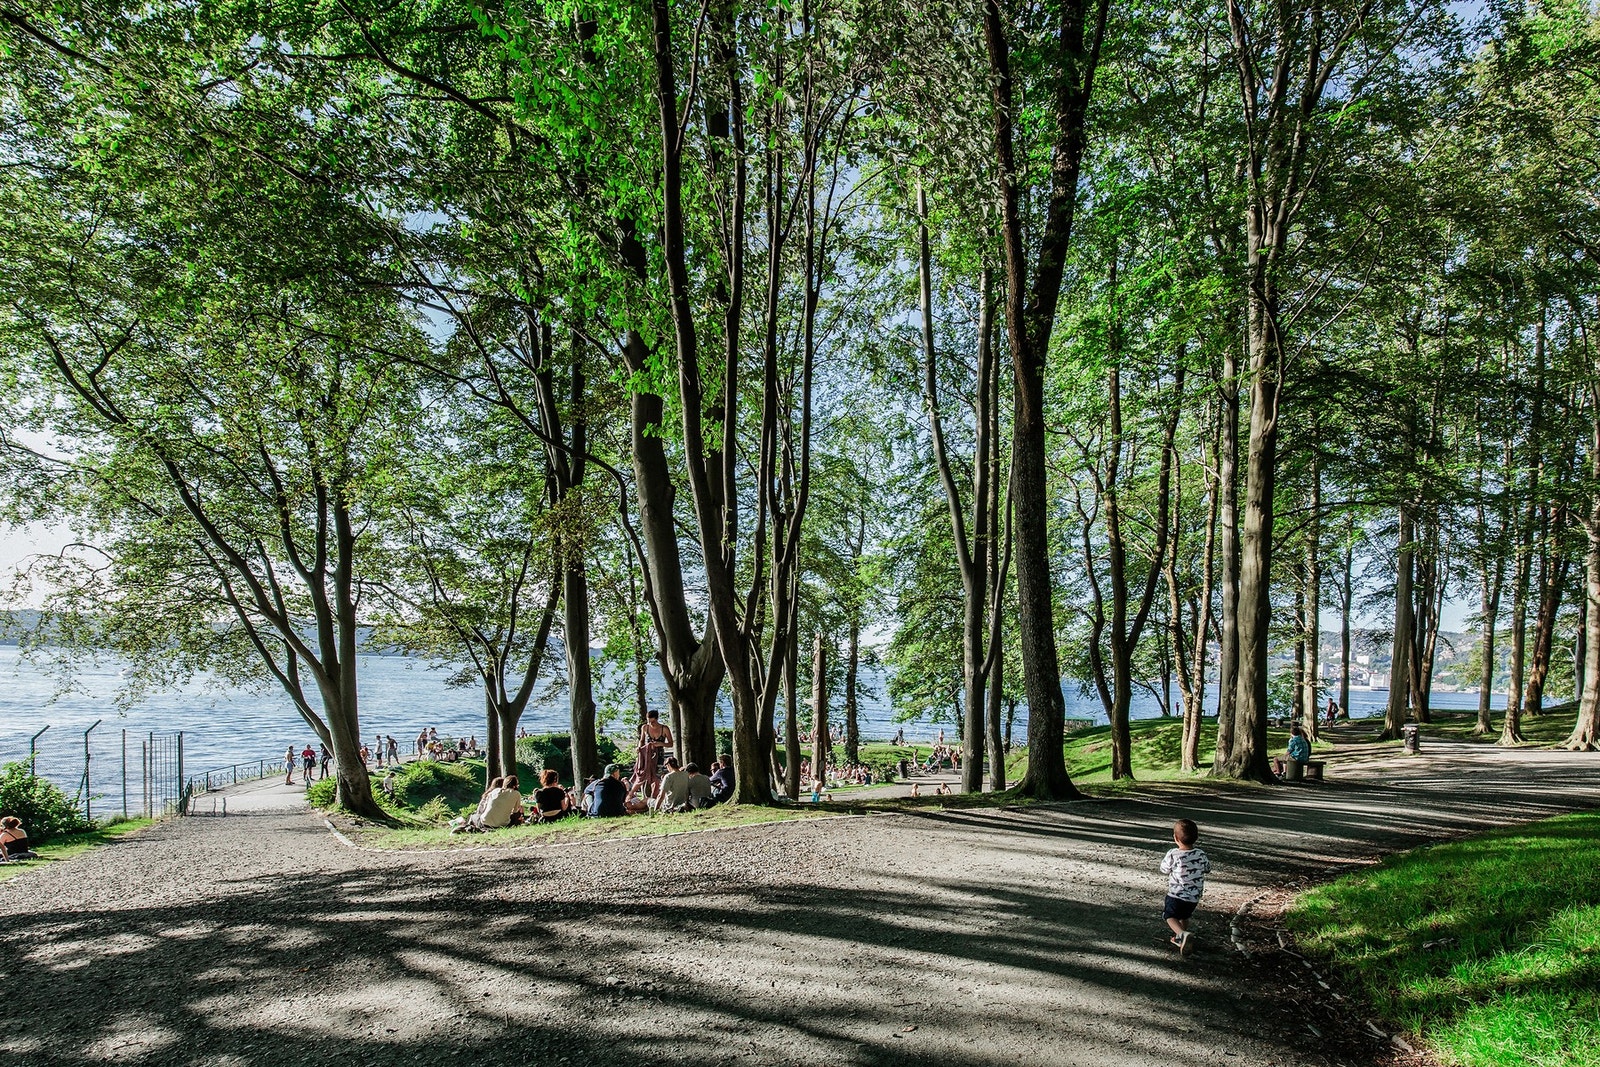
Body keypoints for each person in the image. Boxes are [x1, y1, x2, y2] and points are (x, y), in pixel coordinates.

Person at [1160, 818, 1211, 956]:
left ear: (1175, 838)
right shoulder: (1200, 854)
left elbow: (1164, 869)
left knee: (1169, 915)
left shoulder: (1173, 854)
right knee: (1184, 916)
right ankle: (1180, 938)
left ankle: (1182, 933)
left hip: (1176, 895)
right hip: (1194, 897)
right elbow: (1207, 868)